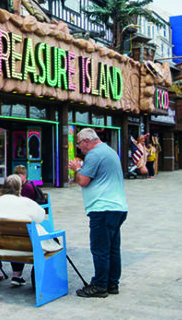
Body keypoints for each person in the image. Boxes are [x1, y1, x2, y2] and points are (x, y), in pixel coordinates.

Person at [68, 128, 128, 298]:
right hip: (118, 207)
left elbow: (83, 181)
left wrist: (76, 168)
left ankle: (100, 285)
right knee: (113, 248)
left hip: (102, 209)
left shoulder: (94, 155)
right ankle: (112, 283)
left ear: (86, 141)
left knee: (100, 248)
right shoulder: (109, 151)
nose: (79, 148)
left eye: (79, 144)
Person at [0, 174, 57, 286]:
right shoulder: (26, 202)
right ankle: (17, 275)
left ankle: (9, 273)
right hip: (23, 249)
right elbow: (41, 217)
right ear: (19, 188)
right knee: (20, 238)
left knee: (11, 236)